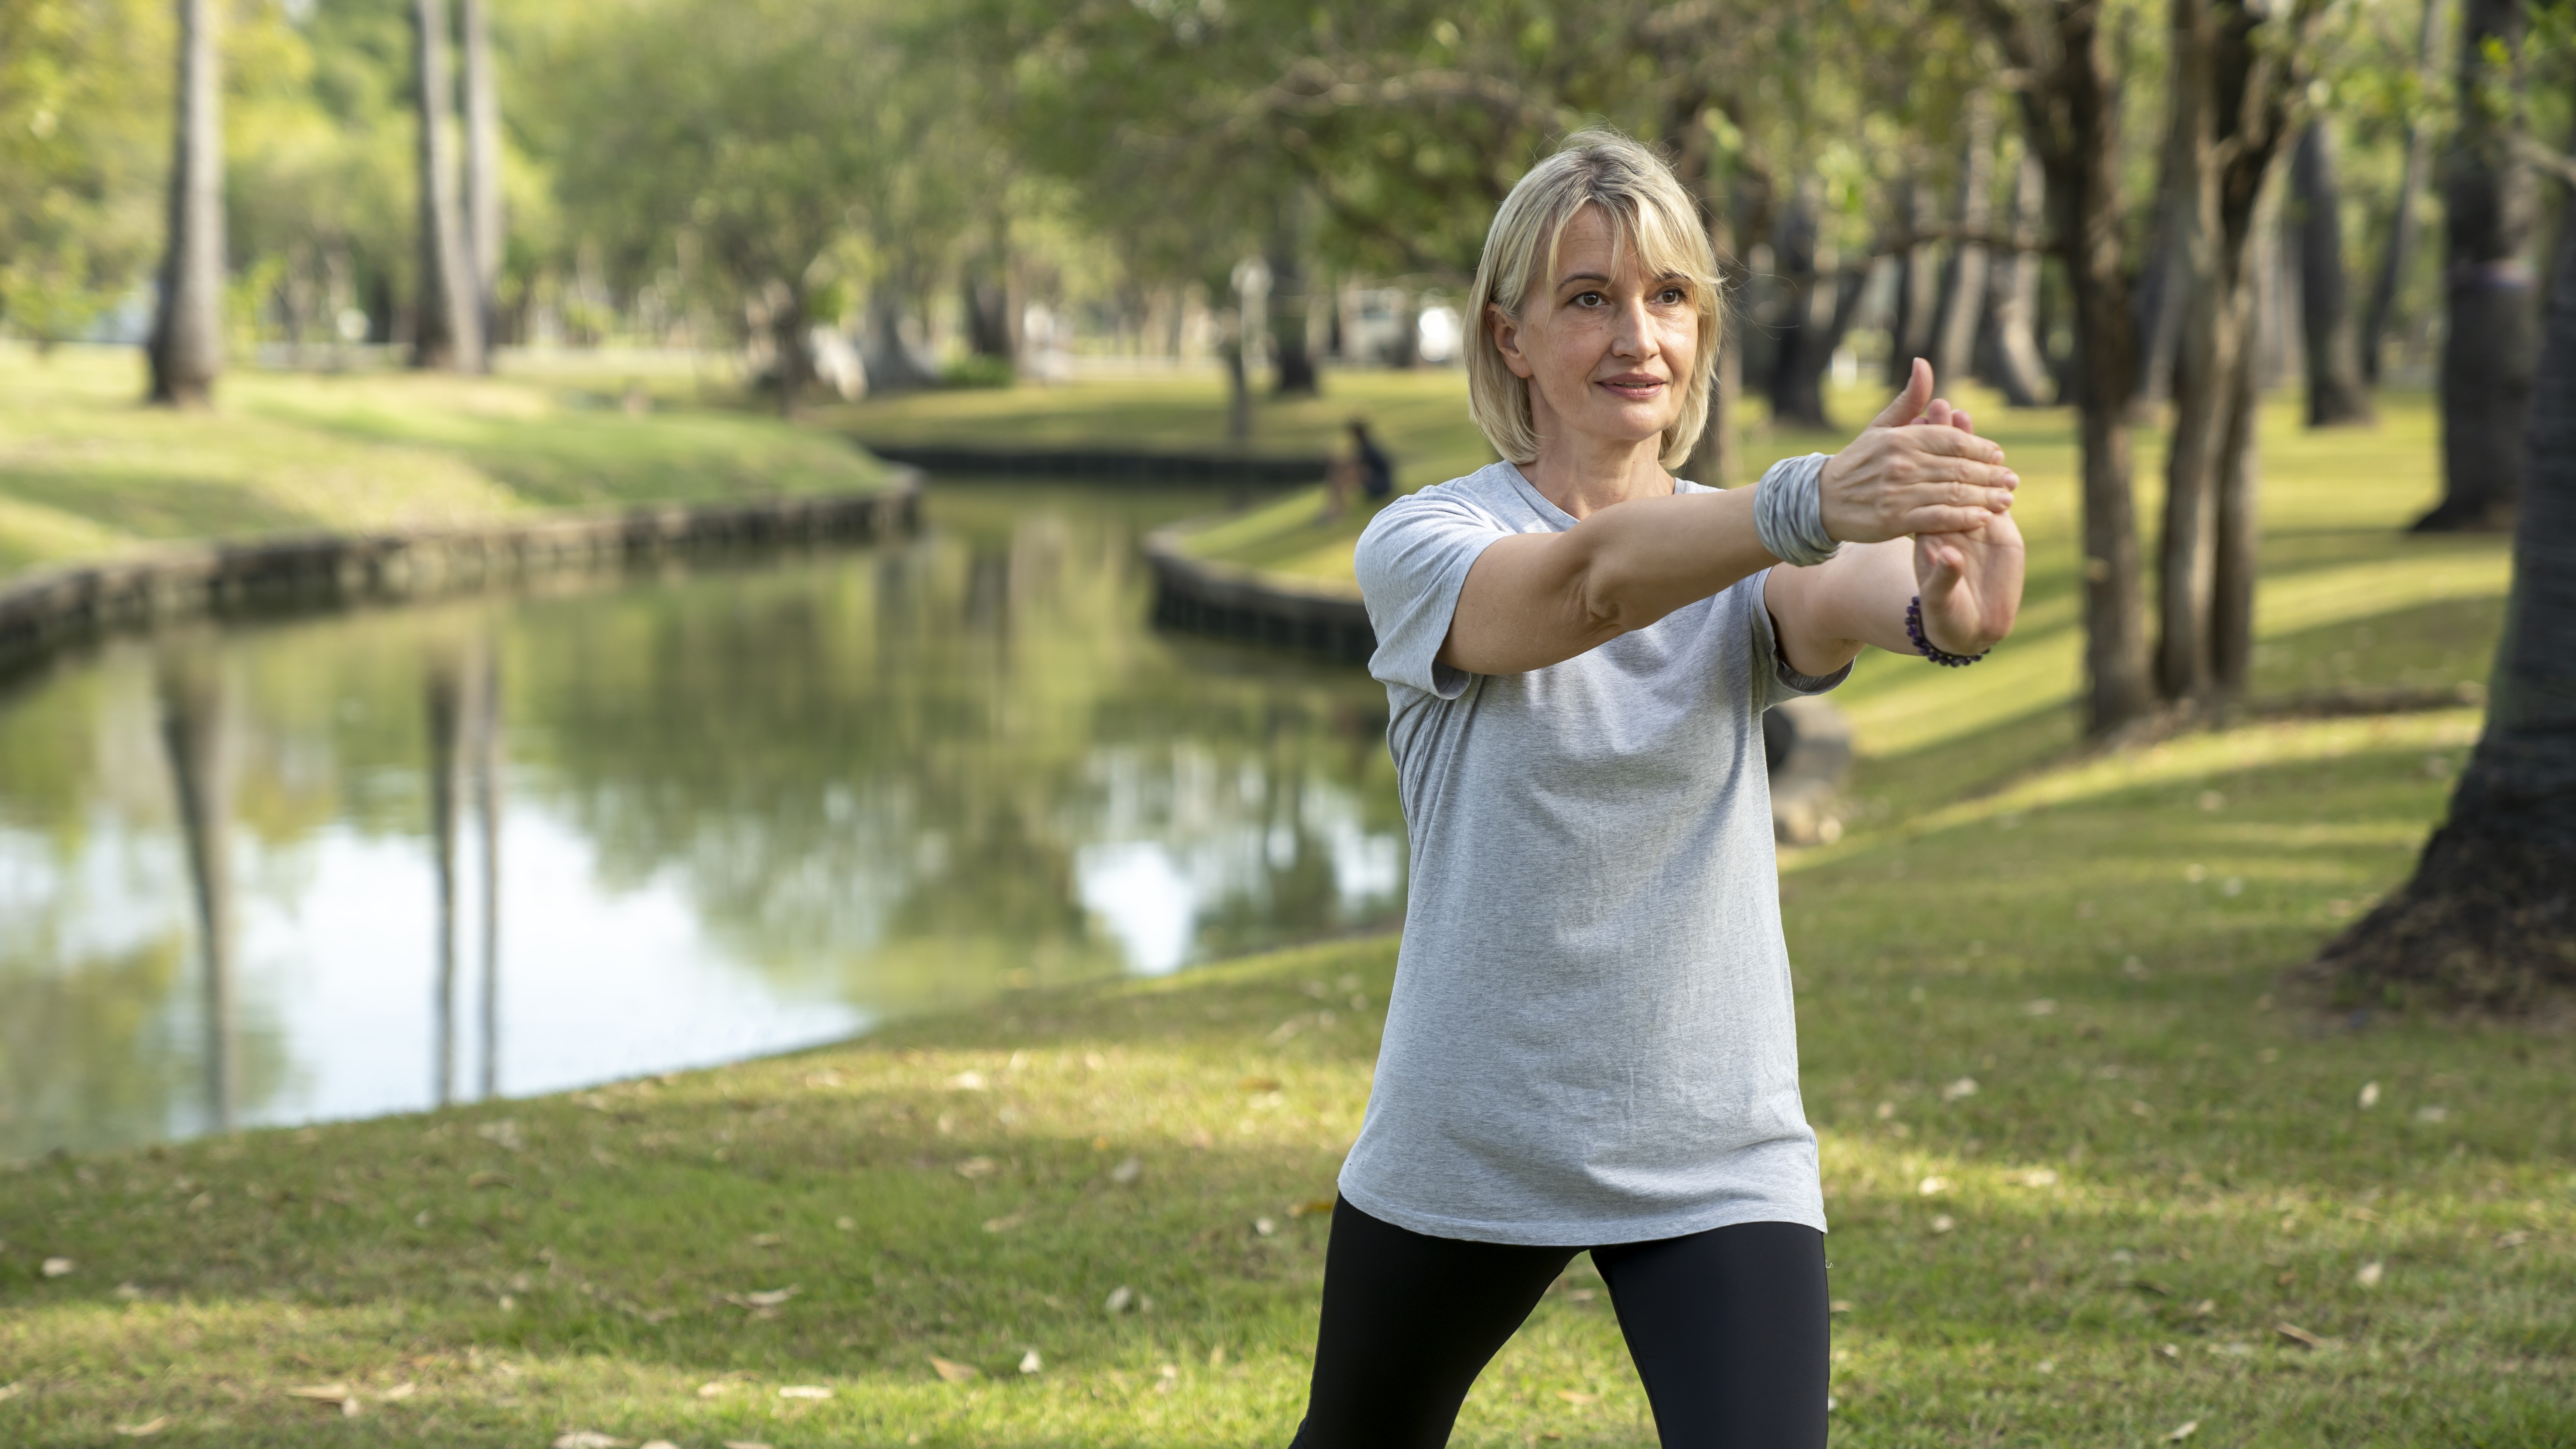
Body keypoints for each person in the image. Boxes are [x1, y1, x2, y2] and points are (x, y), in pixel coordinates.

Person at [1291, 130, 2025, 1448]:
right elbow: (1587, 586)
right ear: (1509, 338)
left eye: (1669, 296)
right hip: (1470, 1134)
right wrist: (1807, 497)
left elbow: (1858, 597)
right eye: (1589, 299)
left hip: (1712, 1149)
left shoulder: (1748, 553)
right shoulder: (1422, 543)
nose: (1639, 334)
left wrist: (1949, 592)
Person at [1325, 418, 1397, 521]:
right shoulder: (1365, 447)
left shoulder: (1367, 449)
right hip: (1378, 485)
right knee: (1342, 474)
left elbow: (1355, 465)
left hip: (1381, 486)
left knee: (1348, 474)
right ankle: (1335, 508)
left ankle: (1337, 510)